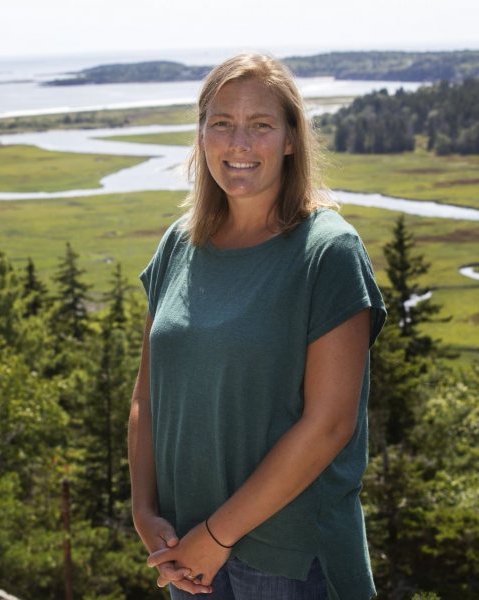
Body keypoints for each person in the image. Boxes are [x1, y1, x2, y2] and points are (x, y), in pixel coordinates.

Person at [128, 53, 386, 600]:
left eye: (261, 126)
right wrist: (144, 511)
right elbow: (146, 400)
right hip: (188, 550)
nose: (238, 144)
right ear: (201, 136)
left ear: (291, 139)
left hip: (290, 558)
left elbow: (329, 425)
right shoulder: (180, 243)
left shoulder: (328, 252)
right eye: (221, 123)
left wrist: (218, 536)